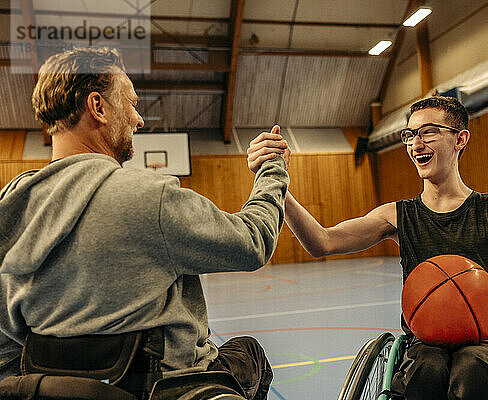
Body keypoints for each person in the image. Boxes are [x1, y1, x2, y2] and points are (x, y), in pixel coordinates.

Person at [246, 96, 488, 400]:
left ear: (460, 139)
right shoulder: (397, 216)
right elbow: (321, 242)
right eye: (410, 135)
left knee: (472, 370)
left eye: (428, 132)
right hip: (426, 343)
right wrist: (276, 182)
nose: (415, 143)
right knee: (424, 371)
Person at [0, 47, 291, 400]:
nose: (138, 120)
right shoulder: (147, 198)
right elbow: (254, 241)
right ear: (99, 107)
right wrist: (272, 169)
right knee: (249, 354)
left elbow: (6, 348)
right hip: (171, 387)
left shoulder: (11, 208)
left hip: (52, 389)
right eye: (132, 103)